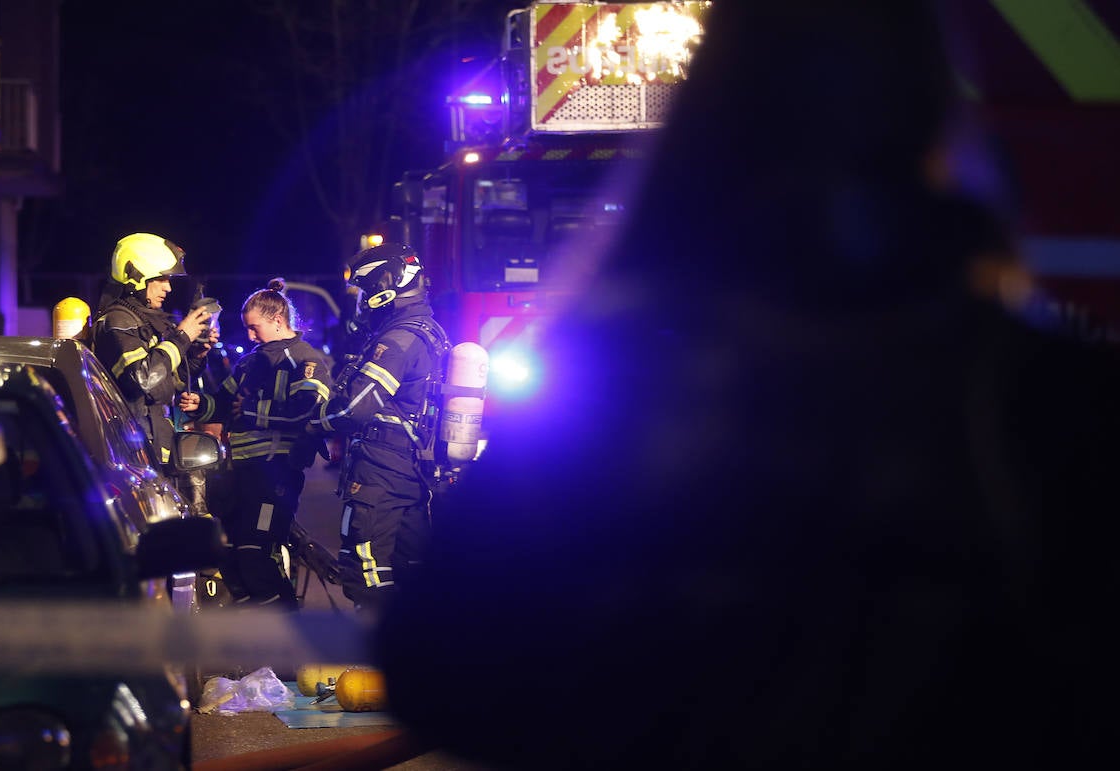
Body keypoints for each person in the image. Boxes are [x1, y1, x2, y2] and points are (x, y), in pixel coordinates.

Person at [372, 1, 1120, 769]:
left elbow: (437, 666)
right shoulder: (1046, 395)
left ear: (700, 139)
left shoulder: (618, 392)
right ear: (941, 133)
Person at [312, 242, 449, 613]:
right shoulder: (428, 329)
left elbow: (356, 409)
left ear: (388, 284)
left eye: (367, 288)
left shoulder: (397, 340)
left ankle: (377, 664)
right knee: (411, 574)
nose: (364, 299)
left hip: (381, 474)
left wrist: (313, 423)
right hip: (410, 472)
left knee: (367, 576)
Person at [180, 278, 333, 610]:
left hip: (277, 475)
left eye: (254, 327)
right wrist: (199, 403)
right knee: (229, 551)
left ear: (278, 321)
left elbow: (307, 409)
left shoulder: (305, 360)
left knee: (257, 552)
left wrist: (249, 410)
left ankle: (287, 634)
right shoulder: (250, 362)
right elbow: (223, 402)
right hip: (243, 475)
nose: (249, 336)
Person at [92, 232, 216, 476]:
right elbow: (142, 379)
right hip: (132, 455)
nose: (168, 287)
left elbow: (167, 383)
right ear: (137, 276)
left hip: (152, 450)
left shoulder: (142, 321)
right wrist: (181, 337)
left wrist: (195, 354)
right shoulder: (118, 321)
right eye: (162, 279)